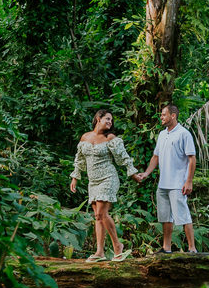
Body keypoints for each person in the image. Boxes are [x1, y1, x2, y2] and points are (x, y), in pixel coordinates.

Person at [70, 109, 139, 262]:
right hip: (93, 182)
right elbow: (79, 159)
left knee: (102, 212)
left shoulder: (111, 138)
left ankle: (117, 246)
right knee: (97, 216)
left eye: (111, 120)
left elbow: (123, 157)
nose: (110, 122)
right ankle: (100, 252)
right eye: (107, 118)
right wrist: (75, 177)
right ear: (98, 118)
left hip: (108, 178)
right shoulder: (85, 137)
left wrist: (133, 173)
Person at [134, 103, 197, 254]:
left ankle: (192, 249)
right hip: (163, 183)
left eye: (163, 114)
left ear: (173, 115)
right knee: (165, 216)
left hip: (178, 183)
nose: (161, 117)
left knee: (183, 215)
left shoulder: (184, 133)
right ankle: (166, 248)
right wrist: (146, 173)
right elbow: (156, 157)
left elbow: (192, 158)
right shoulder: (162, 134)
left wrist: (188, 181)